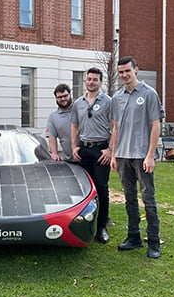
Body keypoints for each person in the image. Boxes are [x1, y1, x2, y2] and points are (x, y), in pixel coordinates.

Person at [110, 56, 163, 259]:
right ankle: (134, 237)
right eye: (121, 72)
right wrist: (114, 154)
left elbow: (155, 125)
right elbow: (115, 128)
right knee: (129, 198)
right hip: (123, 156)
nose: (124, 75)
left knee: (148, 198)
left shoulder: (149, 94)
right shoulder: (117, 98)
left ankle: (154, 242)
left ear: (136, 70)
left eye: (127, 71)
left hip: (142, 156)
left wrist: (150, 155)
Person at [70, 67, 112, 243]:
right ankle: (85, 222)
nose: (91, 82)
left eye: (95, 79)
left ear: (100, 82)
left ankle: (101, 227)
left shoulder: (108, 102)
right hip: (84, 149)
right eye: (89, 79)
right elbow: (74, 125)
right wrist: (74, 146)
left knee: (101, 187)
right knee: (84, 188)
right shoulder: (78, 103)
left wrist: (110, 149)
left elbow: (116, 126)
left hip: (101, 149)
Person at [47, 83, 74, 161]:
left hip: (86, 157)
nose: (63, 99)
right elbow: (52, 137)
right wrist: (54, 153)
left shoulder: (79, 110)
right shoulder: (53, 117)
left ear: (70, 95)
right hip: (67, 159)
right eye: (59, 97)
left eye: (65, 96)